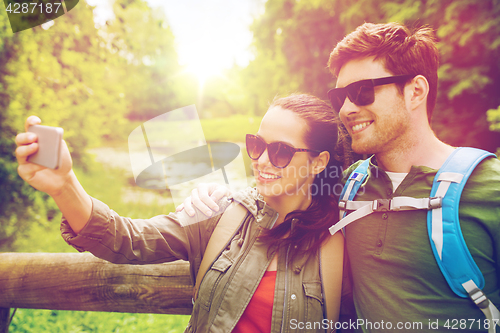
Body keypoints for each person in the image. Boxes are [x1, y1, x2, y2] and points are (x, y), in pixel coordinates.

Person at [179, 22, 500, 332]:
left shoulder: (489, 190)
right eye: (340, 96)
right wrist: (213, 195)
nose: (346, 108)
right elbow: (275, 184)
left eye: (362, 92)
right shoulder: (344, 187)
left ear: (415, 91)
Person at [15, 94, 350, 332]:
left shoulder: (341, 241)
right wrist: (64, 186)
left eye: (280, 152)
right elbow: (127, 239)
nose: (261, 160)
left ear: (319, 162)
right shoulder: (219, 214)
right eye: (257, 145)